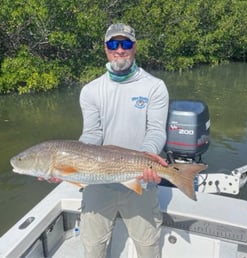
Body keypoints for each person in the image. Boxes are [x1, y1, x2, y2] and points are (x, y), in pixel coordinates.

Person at [79, 23, 169, 258]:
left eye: (126, 43)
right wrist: (66, 165)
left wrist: (146, 158)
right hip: (96, 181)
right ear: (105, 48)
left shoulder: (155, 87)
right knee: (92, 247)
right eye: (113, 44)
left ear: (135, 47)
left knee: (148, 247)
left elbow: (157, 131)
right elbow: (92, 134)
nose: (120, 49)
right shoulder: (90, 91)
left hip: (141, 180)